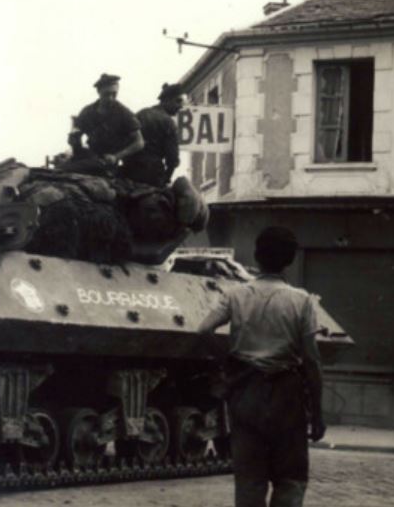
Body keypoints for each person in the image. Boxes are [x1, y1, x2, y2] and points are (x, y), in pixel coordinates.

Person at [197, 227, 325, 507]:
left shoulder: (235, 295)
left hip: (246, 392)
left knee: (249, 480)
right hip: (287, 395)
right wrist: (317, 413)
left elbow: (204, 330)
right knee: (290, 479)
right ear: (290, 260)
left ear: (257, 256)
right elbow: (312, 361)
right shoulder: (301, 301)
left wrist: (227, 361)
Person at [66, 73, 144, 176]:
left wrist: (116, 156)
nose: (111, 98)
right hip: (90, 157)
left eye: (114, 94)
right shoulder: (88, 111)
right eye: (106, 94)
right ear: (99, 92)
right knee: (62, 169)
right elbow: (76, 132)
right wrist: (73, 139)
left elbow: (139, 142)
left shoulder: (124, 113)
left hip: (109, 162)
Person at [121, 82, 184, 186]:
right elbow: (172, 160)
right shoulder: (168, 122)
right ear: (166, 100)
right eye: (177, 101)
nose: (180, 106)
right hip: (152, 174)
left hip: (129, 171)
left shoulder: (141, 113)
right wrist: (166, 179)